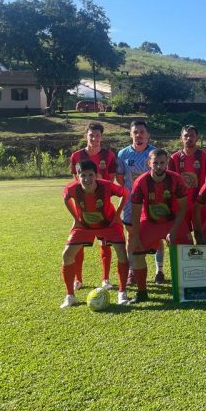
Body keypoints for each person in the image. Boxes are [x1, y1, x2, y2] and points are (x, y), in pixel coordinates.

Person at [60, 161, 129, 308]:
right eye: (82, 175)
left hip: (108, 224)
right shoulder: (72, 189)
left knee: (122, 253)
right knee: (67, 255)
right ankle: (70, 296)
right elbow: (66, 199)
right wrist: (76, 218)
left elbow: (125, 193)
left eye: (90, 175)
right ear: (77, 176)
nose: (87, 179)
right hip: (84, 226)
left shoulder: (106, 186)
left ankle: (122, 293)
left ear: (96, 175)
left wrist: (117, 215)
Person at [125, 148, 190, 304]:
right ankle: (142, 292)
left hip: (172, 221)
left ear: (167, 163)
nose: (159, 166)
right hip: (149, 221)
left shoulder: (176, 179)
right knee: (136, 250)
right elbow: (135, 212)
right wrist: (135, 234)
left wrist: (173, 231)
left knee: (189, 247)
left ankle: (188, 287)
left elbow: (182, 209)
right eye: (156, 163)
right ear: (149, 163)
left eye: (162, 163)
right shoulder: (141, 182)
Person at [68, 122, 118, 290]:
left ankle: (105, 279)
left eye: (97, 136)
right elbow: (77, 182)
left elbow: (110, 182)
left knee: (105, 242)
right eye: (91, 135)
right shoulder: (76, 156)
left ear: (101, 137)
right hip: (82, 207)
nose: (94, 139)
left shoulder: (109, 156)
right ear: (86, 136)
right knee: (79, 242)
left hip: (103, 207)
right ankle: (78, 279)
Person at [168, 124, 206, 277]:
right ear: (181, 138)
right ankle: (185, 268)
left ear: (197, 137)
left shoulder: (205, 156)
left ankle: (203, 267)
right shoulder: (174, 158)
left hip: (198, 204)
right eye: (185, 135)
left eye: (191, 135)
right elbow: (170, 181)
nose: (188, 138)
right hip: (180, 206)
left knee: (201, 235)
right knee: (183, 237)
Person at [116, 120, 156, 284]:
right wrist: (133, 191)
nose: (138, 135)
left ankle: (159, 269)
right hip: (131, 202)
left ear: (147, 135)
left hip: (152, 201)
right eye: (135, 132)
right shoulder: (123, 154)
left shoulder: (154, 153)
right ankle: (132, 269)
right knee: (131, 235)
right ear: (130, 134)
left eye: (142, 132)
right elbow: (120, 179)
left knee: (155, 234)